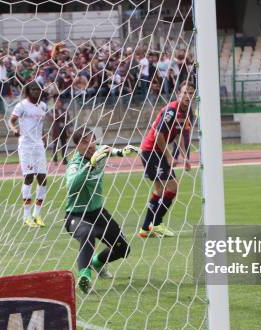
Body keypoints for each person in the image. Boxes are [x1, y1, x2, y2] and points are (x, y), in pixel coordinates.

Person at [65, 128, 139, 293]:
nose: (90, 144)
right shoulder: (74, 164)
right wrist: (90, 165)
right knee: (87, 232)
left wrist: (122, 151)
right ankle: (85, 276)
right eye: (84, 142)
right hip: (76, 215)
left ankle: (97, 263)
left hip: (98, 213)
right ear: (77, 146)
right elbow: (72, 186)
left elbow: (108, 150)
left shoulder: (98, 151)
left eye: (92, 140)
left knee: (123, 249)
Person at [138, 81, 194, 238]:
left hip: (157, 151)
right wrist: (169, 156)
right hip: (151, 150)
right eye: (185, 92)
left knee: (161, 189)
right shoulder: (171, 111)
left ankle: (145, 228)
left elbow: (179, 135)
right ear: (178, 94)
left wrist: (185, 158)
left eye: (191, 93)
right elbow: (158, 135)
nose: (188, 96)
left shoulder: (188, 112)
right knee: (171, 187)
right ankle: (156, 224)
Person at [8, 81, 49, 228]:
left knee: (43, 179)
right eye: (33, 89)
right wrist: (14, 129)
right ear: (28, 91)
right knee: (29, 177)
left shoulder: (43, 106)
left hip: (39, 146)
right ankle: (26, 216)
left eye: (38, 89)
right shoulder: (21, 106)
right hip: (26, 146)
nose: (36, 91)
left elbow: (41, 126)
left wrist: (44, 138)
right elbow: (11, 121)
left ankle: (37, 214)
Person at [51, 99, 71, 165]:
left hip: (64, 130)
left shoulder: (64, 110)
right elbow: (54, 118)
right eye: (56, 102)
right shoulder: (53, 110)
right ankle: (55, 160)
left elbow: (67, 117)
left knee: (64, 146)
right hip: (56, 131)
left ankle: (64, 160)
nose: (58, 103)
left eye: (59, 102)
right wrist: (62, 116)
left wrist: (61, 117)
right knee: (55, 146)